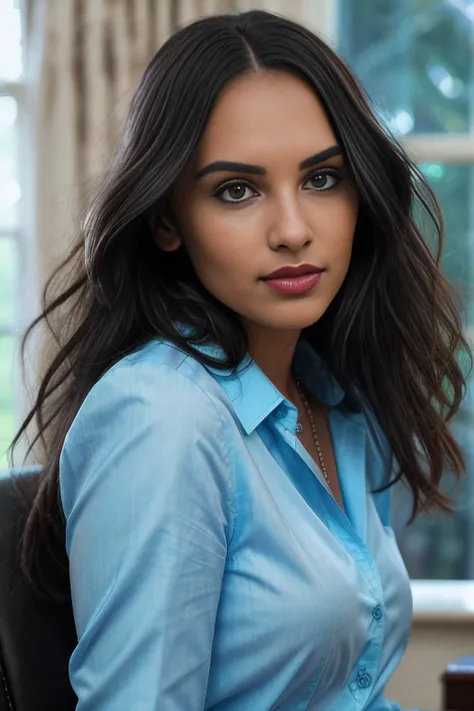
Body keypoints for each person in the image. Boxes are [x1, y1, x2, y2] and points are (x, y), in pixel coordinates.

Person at [11, 9, 470, 711]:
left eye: (322, 179)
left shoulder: (329, 398)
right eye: (237, 190)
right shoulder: (162, 415)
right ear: (167, 220)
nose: (293, 230)